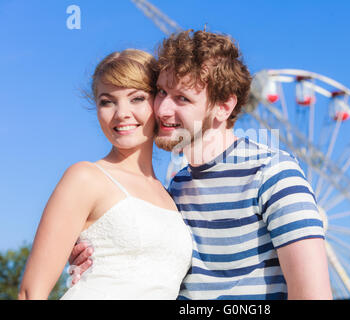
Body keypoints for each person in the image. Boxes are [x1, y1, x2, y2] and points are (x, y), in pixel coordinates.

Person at [71, 30, 332, 300]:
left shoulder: (273, 174)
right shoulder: (175, 189)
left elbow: (312, 295)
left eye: (182, 98)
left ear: (223, 106)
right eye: (161, 92)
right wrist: (97, 263)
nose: (162, 110)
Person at [18, 49, 193, 300]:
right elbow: (30, 293)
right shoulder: (86, 178)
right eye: (107, 101)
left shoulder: (173, 195)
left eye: (136, 98)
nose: (121, 113)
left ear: (158, 103)